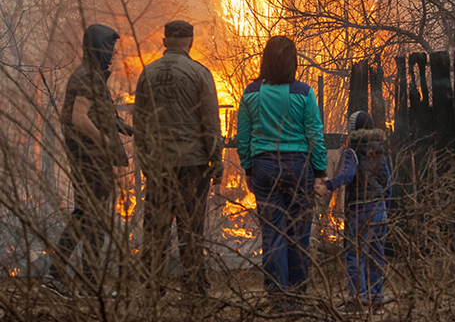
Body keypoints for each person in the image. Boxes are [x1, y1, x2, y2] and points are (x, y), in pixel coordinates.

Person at [133, 20, 223, 296]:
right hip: (192, 165)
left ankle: (151, 285)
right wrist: (216, 158)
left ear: (164, 41)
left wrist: (147, 161)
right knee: (191, 227)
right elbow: (209, 120)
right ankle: (194, 287)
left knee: (156, 228)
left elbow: (140, 123)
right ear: (191, 41)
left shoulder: (147, 74)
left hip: (159, 164)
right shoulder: (199, 73)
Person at [236, 36, 327, 310]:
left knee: (273, 233)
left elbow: (243, 136)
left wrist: (249, 168)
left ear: (265, 59)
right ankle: (298, 297)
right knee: (298, 234)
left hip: (264, 167)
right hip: (298, 167)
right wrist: (320, 172)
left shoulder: (251, 92)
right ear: (293, 61)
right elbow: (315, 135)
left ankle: (278, 300)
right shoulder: (304, 92)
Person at [42, 24, 131, 298]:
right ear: (99, 48)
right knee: (86, 216)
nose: (113, 55)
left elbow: (90, 112)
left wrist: (116, 124)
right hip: (89, 158)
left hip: (91, 158)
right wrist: (104, 140)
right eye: (110, 49)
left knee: (92, 219)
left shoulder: (91, 76)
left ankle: (90, 284)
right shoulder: (87, 76)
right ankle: (56, 276)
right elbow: (78, 118)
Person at [325, 111, 391, 315]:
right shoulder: (379, 151)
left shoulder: (352, 152)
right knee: (376, 256)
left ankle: (359, 301)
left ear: (353, 130)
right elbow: (388, 183)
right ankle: (377, 300)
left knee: (355, 256)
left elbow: (348, 174)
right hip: (379, 209)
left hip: (360, 209)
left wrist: (329, 184)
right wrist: (385, 209)